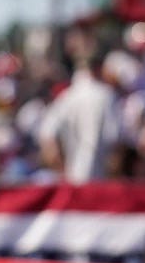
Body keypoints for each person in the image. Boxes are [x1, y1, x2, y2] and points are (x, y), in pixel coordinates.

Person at [34, 49, 124, 184]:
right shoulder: (107, 95)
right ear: (99, 68)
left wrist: (61, 170)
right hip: (99, 181)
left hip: (74, 181)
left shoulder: (67, 96)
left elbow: (46, 136)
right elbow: (115, 139)